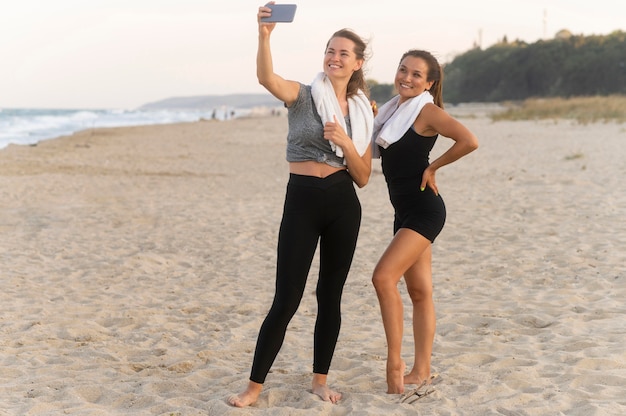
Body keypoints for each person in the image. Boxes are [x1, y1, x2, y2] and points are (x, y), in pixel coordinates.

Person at [228, 4, 374, 408]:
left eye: (344, 52)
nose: (334, 56)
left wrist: (345, 143)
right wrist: (264, 36)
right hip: (303, 201)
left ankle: (319, 381)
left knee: (331, 296)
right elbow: (266, 78)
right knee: (287, 298)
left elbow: (363, 176)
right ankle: (253, 387)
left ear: (357, 63)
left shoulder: (362, 113)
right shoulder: (304, 95)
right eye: (330, 49)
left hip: (344, 203)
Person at [370, 49, 479, 395]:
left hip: (424, 210)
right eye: (403, 70)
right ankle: (422, 370)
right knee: (419, 292)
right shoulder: (392, 111)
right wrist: (373, 114)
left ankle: (397, 364)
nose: (407, 78)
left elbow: (469, 140)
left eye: (417, 74)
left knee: (383, 277)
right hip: (403, 211)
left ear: (429, 82)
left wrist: (433, 167)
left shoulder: (427, 111)